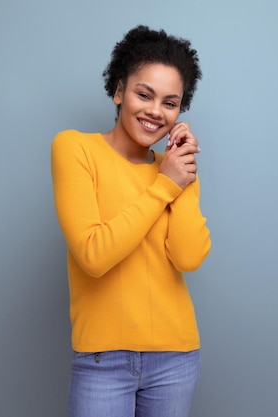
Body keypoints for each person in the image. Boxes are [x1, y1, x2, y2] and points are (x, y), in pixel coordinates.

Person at [51, 24, 211, 417]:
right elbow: (94, 254)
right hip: (102, 361)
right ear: (119, 91)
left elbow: (188, 257)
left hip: (176, 357)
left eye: (170, 103)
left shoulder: (175, 170)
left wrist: (182, 172)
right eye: (144, 94)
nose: (156, 111)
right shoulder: (75, 148)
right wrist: (164, 185)